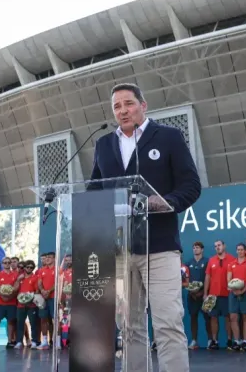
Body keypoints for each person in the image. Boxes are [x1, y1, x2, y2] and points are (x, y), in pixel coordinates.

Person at [90, 82, 201, 372]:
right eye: (116, 106)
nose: (123, 110)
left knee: (168, 325)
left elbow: (191, 185)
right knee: (129, 329)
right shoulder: (103, 144)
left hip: (160, 247)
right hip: (120, 250)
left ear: (143, 105)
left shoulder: (168, 137)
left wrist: (165, 202)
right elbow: (94, 192)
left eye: (128, 103)